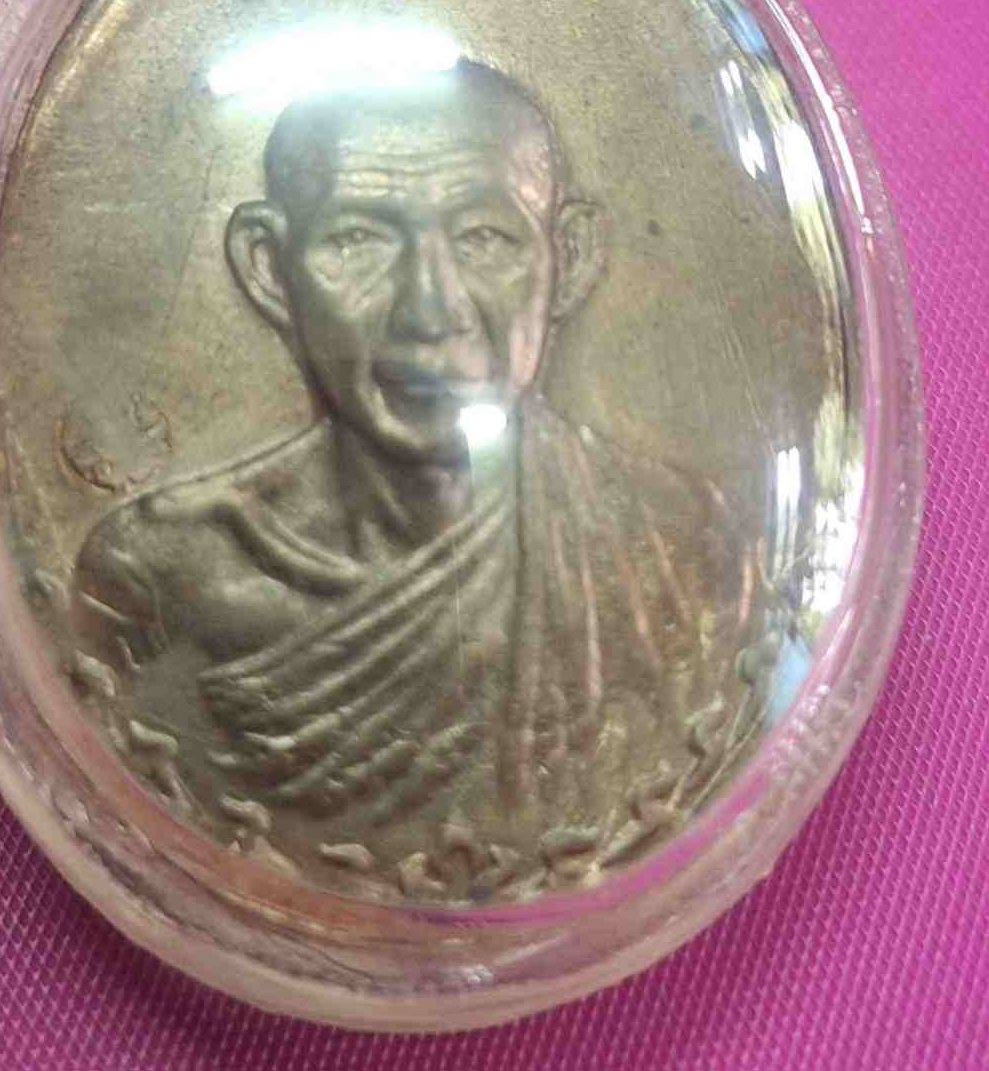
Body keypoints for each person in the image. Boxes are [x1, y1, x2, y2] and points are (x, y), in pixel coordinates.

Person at [70, 59, 756, 897]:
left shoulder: (673, 544)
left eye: (484, 237)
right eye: (358, 238)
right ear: (268, 268)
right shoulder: (159, 576)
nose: (429, 310)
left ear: (567, 257)